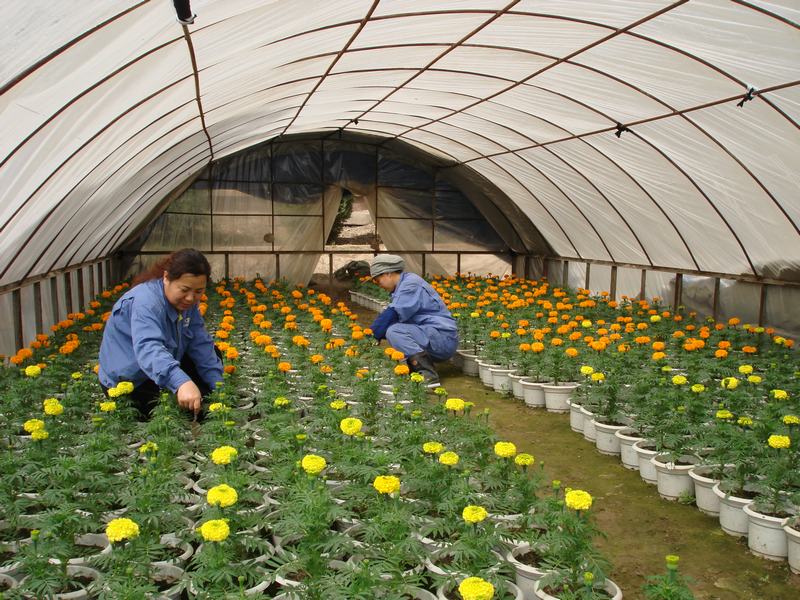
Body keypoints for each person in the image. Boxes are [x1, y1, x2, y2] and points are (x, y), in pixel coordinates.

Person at [98, 248, 223, 420]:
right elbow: (149, 349)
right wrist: (182, 383)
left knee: (213, 355)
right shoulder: (146, 302)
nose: (190, 298)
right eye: (184, 289)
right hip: (132, 381)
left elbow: (200, 342)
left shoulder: (187, 304)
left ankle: (201, 404)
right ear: (166, 278)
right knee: (169, 416)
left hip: (159, 365)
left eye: (198, 291)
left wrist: (218, 386)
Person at [368, 254, 458, 387]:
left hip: (442, 339)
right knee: (392, 328)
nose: (378, 284)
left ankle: (427, 374)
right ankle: (415, 370)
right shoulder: (404, 284)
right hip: (433, 335)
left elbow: (393, 313)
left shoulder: (410, 284)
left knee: (394, 331)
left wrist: (370, 335)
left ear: (387, 274)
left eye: (377, 280)